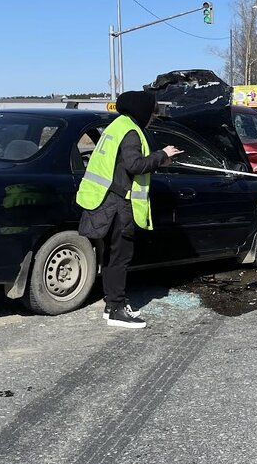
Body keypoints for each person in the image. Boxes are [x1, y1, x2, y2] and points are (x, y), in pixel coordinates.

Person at [76, 90, 182, 329]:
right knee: (120, 257)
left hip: (102, 201)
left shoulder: (116, 126)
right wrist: (162, 155)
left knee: (111, 257)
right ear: (141, 109)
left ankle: (111, 306)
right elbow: (135, 165)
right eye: (151, 111)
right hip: (116, 204)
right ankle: (116, 309)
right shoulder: (131, 132)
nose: (152, 116)